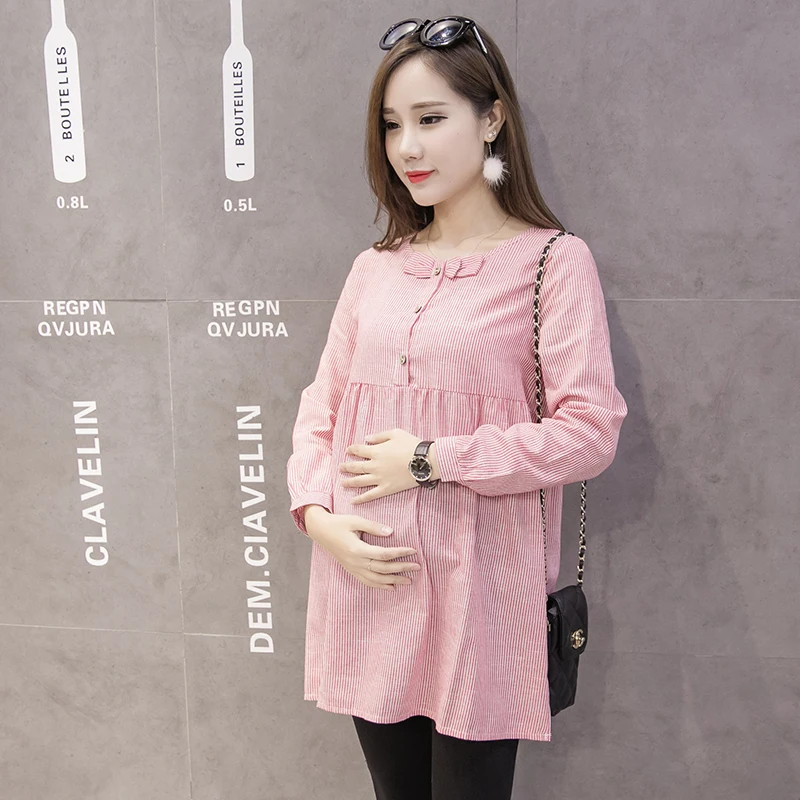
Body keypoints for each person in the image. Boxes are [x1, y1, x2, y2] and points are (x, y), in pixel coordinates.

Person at [286, 16, 628, 800]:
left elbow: (589, 432)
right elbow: (321, 408)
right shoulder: (375, 269)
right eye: (392, 125)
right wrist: (317, 516)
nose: (407, 147)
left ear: (492, 119)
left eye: (431, 119)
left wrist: (430, 460)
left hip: (482, 596)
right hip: (370, 584)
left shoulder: (551, 262)